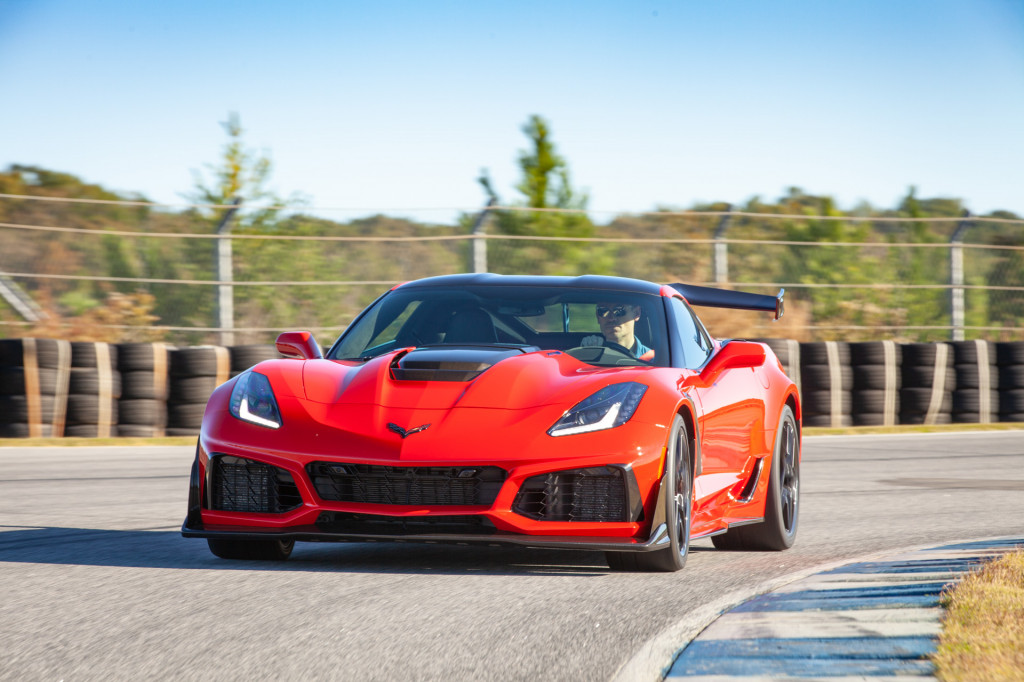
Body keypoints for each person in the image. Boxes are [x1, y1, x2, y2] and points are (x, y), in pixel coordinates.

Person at [582, 301, 655, 361]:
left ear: (636, 313)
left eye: (619, 310)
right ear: (598, 317)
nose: (611, 318)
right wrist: (588, 353)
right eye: (603, 311)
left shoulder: (654, 361)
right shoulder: (586, 355)